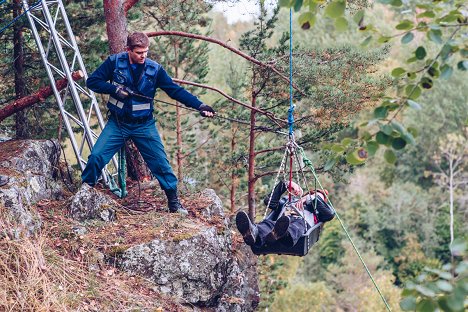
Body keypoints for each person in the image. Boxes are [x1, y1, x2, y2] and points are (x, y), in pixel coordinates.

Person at [82, 32, 215, 214]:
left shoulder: (155, 69)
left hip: (144, 125)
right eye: (139, 52)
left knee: (161, 164)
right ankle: (84, 192)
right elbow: (93, 81)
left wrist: (200, 105)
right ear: (128, 50)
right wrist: (115, 89)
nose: (143, 56)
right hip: (118, 124)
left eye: (146, 52)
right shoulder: (114, 62)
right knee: (97, 157)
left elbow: (175, 91)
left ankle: (174, 203)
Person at [236, 180, 335, 248]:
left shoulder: (318, 214)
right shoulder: (288, 201)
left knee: (296, 226)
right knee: (268, 223)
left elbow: (330, 214)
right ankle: (252, 233)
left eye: (319, 200)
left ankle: (281, 234)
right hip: (280, 223)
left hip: (299, 225)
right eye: (314, 196)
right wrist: (287, 184)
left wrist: (310, 198)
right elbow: (269, 202)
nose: (316, 200)